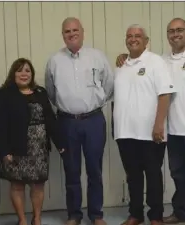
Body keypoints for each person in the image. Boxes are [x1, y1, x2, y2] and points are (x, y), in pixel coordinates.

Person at [115, 18, 185, 225]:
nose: (175, 34)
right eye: (171, 31)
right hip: (174, 129)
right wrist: (124, 57)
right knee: (179, 174)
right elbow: (140, 66)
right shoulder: (163, 59)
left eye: (179, 30)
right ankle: (183, 212)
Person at [45, 17, 114, 225]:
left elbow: (109, 85)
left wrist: (97, 102)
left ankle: (96, 214)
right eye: (67, 31)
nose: (72, 34)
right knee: (71, 170)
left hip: (93, 121)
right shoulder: (54, 61)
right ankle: (74, 214)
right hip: (66, 123)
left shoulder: (97, 57)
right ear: (63, 35)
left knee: (95, 170)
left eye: (75, 30)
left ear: (83, 32)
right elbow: (51, 91)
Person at [113, 25, 176, 225]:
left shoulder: (156, 62)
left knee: (153, 176)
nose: (133, 39)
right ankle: (136, 215)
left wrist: (159, 125)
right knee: (133, 176)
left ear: (146, 40)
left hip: (150, 133)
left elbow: (165, 94)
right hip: (124, 132)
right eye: (129, 36)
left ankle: (155, 216)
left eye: (138, 36)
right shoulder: (121, 64)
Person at [0, 58, 64, 225]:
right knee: (17, 185)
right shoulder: (4, 94)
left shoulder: (40, 92)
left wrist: (60, 144)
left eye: (27, 70)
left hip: (39, 148)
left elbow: (50, 119)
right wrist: (4, 150)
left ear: (31, 74)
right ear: (13, 74)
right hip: (15, 147)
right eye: (19, 70)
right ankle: (22, 220)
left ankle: (37, 218)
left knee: (38, 184)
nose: (24, 74)